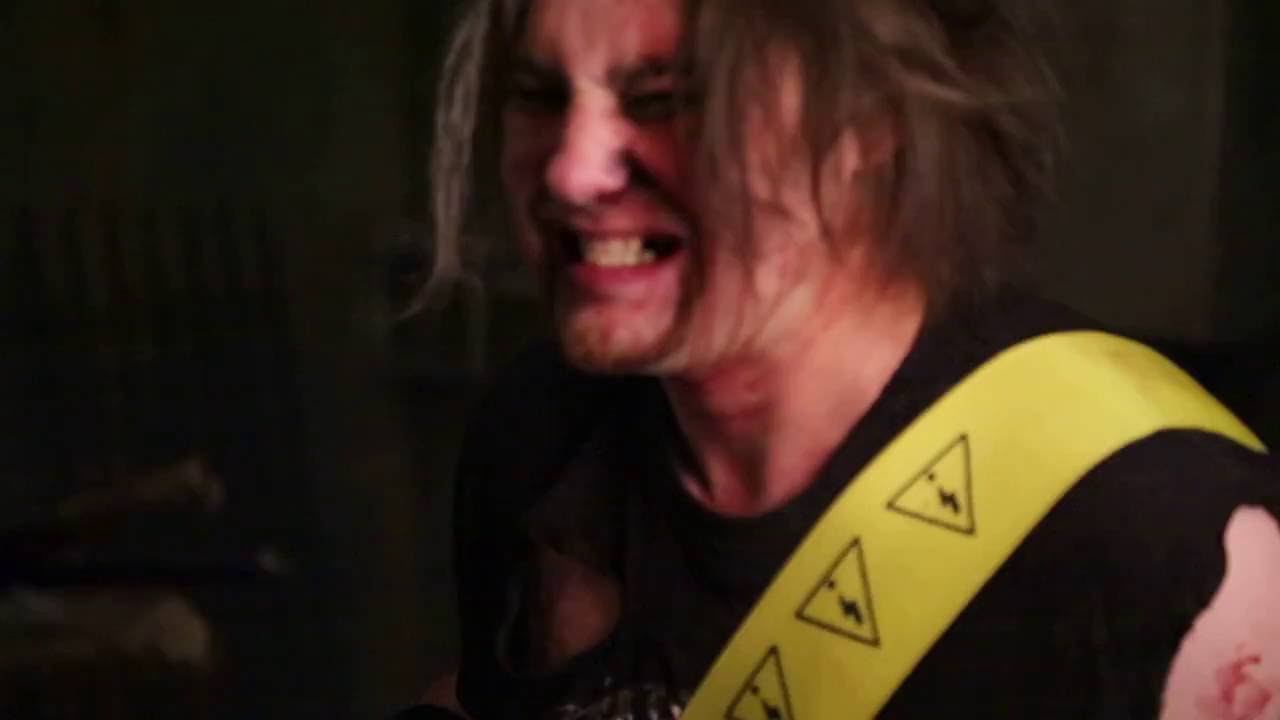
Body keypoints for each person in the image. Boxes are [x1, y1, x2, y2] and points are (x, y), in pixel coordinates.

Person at [402, 0, 1280, 717]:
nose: (570, 171)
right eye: (538, 95)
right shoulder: (542, 431)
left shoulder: (1166, 544)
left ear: (872, 119)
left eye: (669, 99)